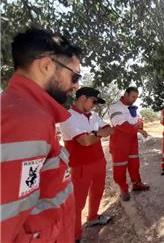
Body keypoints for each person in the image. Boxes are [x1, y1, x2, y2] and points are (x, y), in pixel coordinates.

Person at [1, 28, 81, 242]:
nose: (76, 85)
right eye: (74, 75)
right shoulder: (25, 120)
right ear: (46, 66)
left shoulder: (24, 112)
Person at [59, 87, 113, 242]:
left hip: (99, 161)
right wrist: (98, 134)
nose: (95, 105)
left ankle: (93, 217)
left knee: (97, 191)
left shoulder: (94, 116)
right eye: (93, 101)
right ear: (82, 98)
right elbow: (85, 141)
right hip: (80, 166)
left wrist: (95, 134)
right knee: (77, 203)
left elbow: (110, 129)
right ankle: (75, 236)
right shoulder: (68, 116)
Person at [109, 87, 149, 202]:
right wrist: (138, 129)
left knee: (134, 164)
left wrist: (140, 124)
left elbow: (138, 121)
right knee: (120, 166)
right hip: (119, 142)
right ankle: (123, 189)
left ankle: (136, 183)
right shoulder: (115, 107)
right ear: (125, 94)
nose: (135, 100)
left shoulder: (133, 108)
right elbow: (121, 125)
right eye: (133, 97)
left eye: (136, 97)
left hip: (132, 141)